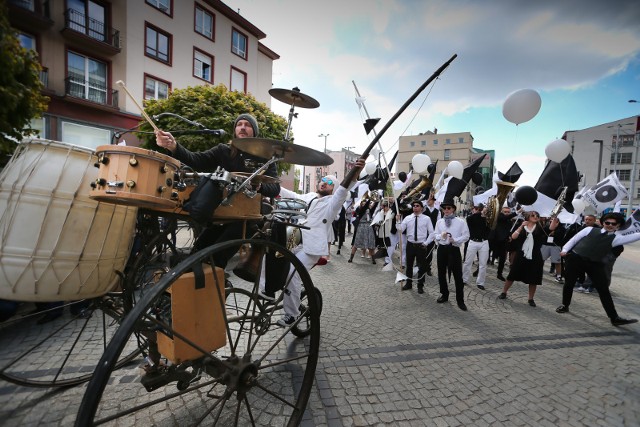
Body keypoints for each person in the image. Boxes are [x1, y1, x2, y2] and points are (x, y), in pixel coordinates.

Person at [155, 113, 280, 268]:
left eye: (247, 125)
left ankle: (213, 284)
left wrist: (258, 186)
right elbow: (196, 160)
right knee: (198, 252)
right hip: (220, 213)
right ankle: (193, 285)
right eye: (239, 124)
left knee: (216, 259)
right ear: (235, 130)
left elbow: (275, 188)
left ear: (254, 131)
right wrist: (173, 146)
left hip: (245, 218)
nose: (242, 127)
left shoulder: (265, 158)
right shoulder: (223, 150)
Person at [272, 159, 366, 326]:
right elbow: (291, 195)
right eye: (323, 180)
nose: (324, 183)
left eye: (329, 183)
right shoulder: (309, 196)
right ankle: (268, 291)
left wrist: (356, 172)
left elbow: (343, 190)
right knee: (270, 257)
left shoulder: (333, 203)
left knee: (292, 274)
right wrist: (269, 184)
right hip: (295, 239)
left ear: (333, 189)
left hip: (312, 247)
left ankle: (291, 315)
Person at [556, 212, 637, 326]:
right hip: (576, 258)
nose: (609, 225)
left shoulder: (617, 238)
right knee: (569, 283)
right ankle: (565, 305)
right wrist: (565, 250)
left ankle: (614, 317)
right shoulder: (589, 229)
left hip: (595, 264)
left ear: (618, 225)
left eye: (613, 224)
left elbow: (635, 236)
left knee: (603, 290)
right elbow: (574, 239)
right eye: (607, 222)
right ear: (603, 222)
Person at [425, 200, 470, 310]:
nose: (446, 210)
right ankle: (444, 294)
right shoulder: (439, 222)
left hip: (454, 250)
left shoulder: (460, 222)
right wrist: (441, 236)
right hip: (442, 249)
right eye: (444, 208)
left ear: (453, 209)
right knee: (441, 273)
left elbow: (466, 236)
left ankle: (460, 300)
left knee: (457, 276)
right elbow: (435, 235)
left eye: (448, 208)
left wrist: (455, 240)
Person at [498, 211, 547, 307]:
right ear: (528, 217)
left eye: (537, 215)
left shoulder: (539, 228)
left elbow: (551, 228)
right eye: (533, 215)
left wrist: (555, 217)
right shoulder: (522, 226)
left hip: (535, 255)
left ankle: (530, 298)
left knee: (534, 278)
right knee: (512, 274)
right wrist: (521, 227)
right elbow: (513, 237)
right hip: (521, 254)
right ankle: (504, 292)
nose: (535, 216)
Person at [396, 201, 434, 293]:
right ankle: (408, 284)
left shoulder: (426, 218)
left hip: (421, 245)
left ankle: (420, 285)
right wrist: (398, 221)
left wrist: (426, 243)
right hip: (410, 245)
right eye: (414, 206)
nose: (415, 207)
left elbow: (432, 233)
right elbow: (400, 229)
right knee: (409, 265)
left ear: (421, 208)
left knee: (422, 266)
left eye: (417, 206)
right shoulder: (408, 218)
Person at [462, 203, 491, 290]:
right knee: (468, 262)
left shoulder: (487, 219)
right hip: (473, 241)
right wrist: (480, 213)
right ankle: (464, 279)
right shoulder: (471, 218)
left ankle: (480, 282)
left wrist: (486, 215)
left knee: (483, 264)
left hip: (484, 242)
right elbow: (470, 219)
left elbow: (490, 228)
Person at [489, 205, 516, 281]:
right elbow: (504, 218)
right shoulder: (499, 216)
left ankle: (499, 274)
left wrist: (510, 236)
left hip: (503, 241)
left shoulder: (509, 221)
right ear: (501, 212)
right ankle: (479, 270)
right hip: (494, 240)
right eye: (505, 212)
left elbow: (508, 230)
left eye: (508, 212)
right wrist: (516, 212)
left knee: (502, 258)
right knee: (486, 256)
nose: (507, 213)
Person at [348, 199, 378, 264]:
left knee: (371, 244)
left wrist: (377, 201)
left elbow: (374, 207)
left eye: (365, 204)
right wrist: (369, 199)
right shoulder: (360, 210)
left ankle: (373, 259)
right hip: (361, 227)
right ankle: (351, 258)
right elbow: (364, 207)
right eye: (363, 204)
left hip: (369, 228)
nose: (365, 205)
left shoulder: (369, 211)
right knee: (356, 243)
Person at [372, 199, 398, 267]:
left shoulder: (391, 212)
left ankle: (386, 259)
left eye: (387, 206)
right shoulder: (380, 212)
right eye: (385, 206)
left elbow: (391, 217)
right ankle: (373, 256)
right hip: (380, 231)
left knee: (387, 245)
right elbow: (376, 221)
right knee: (379, 245)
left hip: (388, 232)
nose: (386, 208)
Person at [540, 216, 565, 283]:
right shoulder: (547, 225)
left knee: (557, 262)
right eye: (552, 218)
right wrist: (551, 229)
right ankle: (538, 272)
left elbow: (561, 236)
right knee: (541, 259)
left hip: (556, 246)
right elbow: (543, 233)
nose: (553, 220)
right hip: (545, 245)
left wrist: (555, 231)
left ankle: (559, 276)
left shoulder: (561, 227)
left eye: (555, 219)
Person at [423, 195, 440, 276]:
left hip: (432, 233)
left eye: (429, 200)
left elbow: (438, 223)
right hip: (423, 233)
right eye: (427, 200)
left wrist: (436, 235)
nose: (428, 201)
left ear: (433, 201)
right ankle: (421, 266)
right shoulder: (423, 210)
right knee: (422, 250)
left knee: (430, 251)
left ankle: (428, 268)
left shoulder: (437, 212)